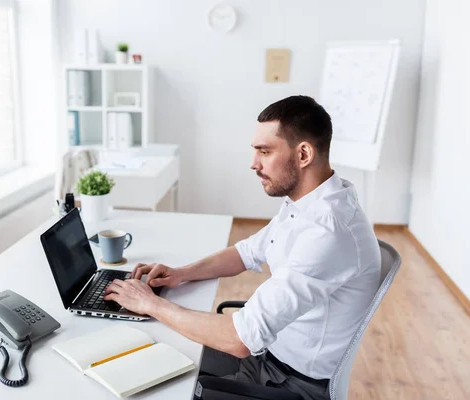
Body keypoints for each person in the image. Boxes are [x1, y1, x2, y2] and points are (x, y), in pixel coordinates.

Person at [104, 95, 381, 400]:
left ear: (303, 154)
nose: (253, 164)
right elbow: (247, 252)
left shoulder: (328, 231)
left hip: (291, 387)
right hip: (269, 360)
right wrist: (181, 274)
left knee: (153, 383)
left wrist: (151, 304)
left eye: (265, 151)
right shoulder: (309, 202)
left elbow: (241, 338)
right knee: (154, 355)